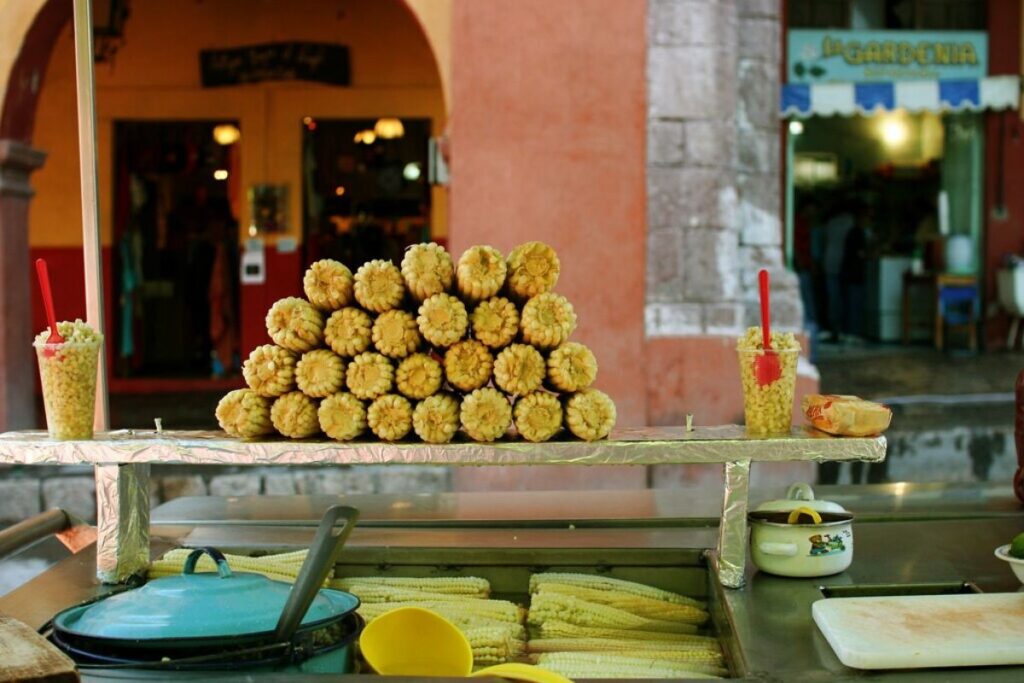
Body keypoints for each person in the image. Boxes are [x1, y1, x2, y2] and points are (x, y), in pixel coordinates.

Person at [820, 198, 856, 343]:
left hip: (829, 262)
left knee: (833, 299)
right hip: (845, 264)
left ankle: (835, 329)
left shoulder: (830, 223)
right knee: (848, 298)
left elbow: (824, 242)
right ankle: (847, 330)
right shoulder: (851, 221)